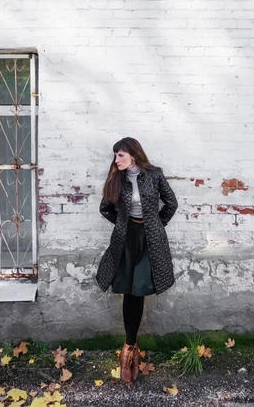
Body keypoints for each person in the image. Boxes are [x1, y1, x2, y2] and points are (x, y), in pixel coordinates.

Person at [96, 137, 178, 384]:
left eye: (120, 155)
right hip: (126, 239)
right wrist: (125, 224)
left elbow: (171, 204)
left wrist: (155, 225)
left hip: (150, 240)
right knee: (130, 292)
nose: (116, 160)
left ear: (133, 154)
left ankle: (129, 350)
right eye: (115, 155)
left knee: (139, 290)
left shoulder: (154, 175)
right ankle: (129, 348)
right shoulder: (116, 178)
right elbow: (105, 208)